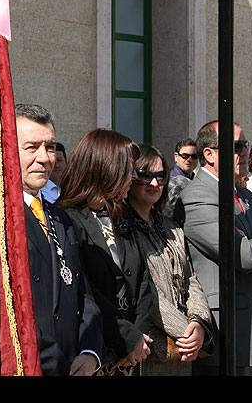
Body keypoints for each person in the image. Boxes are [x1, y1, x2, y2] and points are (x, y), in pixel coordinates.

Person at [177, 120, 252, 375]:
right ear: (209, 154)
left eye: (245, 146)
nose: (245, 153)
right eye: (238, 146)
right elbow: (246, 255)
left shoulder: (245, 195)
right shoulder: (196, 197)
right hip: (227, 330)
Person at [15, 104, 102, 376]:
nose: (44, 158)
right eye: (32, 147)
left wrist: (90, 353)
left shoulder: (61, 218)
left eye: (50, 147)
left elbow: (83, 292)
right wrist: (56, 364)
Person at [58, 128, 153, 376]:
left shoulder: (121, 215)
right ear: (106, 168)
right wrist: (126, 336)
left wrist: (138, 335)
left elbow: (143, 279)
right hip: (96, 351)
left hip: (132, 353)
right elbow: (86, 289)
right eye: (129, 169)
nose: (133, 177)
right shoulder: (66, 219)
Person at [126, 143, 213, 375]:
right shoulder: (122, 231)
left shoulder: (172, 228)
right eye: (145, 176)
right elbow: (146, 291)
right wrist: (185, 331)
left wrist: (199, 323)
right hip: (151, 349)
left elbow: (190, 279)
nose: (154, 184)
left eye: (160, 176)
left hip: (184, 351)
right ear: (131, 177)